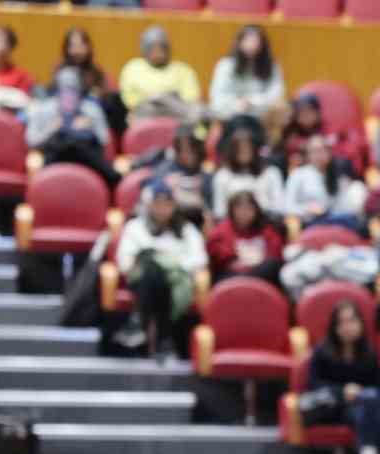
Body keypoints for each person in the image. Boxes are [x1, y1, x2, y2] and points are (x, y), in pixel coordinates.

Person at [117, 180, 208, 359]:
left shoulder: (186, 229)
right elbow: (125, 261)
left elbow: (200, 258)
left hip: (176, 279)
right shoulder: (135, 227)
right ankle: (163, 339)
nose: (162, 209)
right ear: (149, 205)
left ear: (174, 206)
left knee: (156, 272)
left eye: (167, 204)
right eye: (158, 204)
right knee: (151, 266)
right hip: (140, 278)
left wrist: (170, 264)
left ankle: (138, 323)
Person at [307, 300, 380, 454]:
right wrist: (342, 391)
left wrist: (361, 394)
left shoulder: (369, 352)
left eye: (352, 321)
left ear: (360, 324)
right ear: (335, 327)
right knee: (374, 411)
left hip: (362, 408)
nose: (348, 327)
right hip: (333, 407)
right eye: (342, 322)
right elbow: (313, 385)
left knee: (371, 401)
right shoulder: (322, 351)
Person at [25, 66, 114, 187]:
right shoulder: (43, 109)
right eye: (65, 85)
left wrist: (89, 129)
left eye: (73, 86)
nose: (69, 91)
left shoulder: (92, 109)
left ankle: (113, 179)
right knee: (64, 143)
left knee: (77, 145)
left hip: (86, 157)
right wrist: (51, 129)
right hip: (54, 154)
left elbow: (105, 140)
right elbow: (32, 141)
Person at [208, 25, 286, 138]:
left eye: (255, 41)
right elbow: (217, 98)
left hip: (262, 117)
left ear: (263, 45)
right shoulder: (225, 66)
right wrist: (237, 104)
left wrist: (252, 101)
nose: (252, 45)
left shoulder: (272, 67)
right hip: (231, 116)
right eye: (248, 40)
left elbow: (276, 95)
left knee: (281, 109)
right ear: (239, 43)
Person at [119, 26, 201, 124]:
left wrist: (167, 101)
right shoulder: (133, 68)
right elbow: (130, 100)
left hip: (177, 118)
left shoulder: (183, 70)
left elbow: (190, 100)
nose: (158, 53)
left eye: (162, 47)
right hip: (144, 117)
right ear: (144, 49)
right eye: (152, 48)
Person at [283, 135, 367, 229]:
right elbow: (287, 206)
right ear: (307, 155)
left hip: (336, 220)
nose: (319, 154)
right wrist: (307, 209)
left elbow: (343, 207)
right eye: (315, 151)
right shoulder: (298, 175)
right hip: (311, 222)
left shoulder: (336, 174)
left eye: (323, 150)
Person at [206, 190, 284, 288]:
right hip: (232, 276)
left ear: (256, 210)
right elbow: (218, 255)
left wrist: (258, 262)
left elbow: (275, 253)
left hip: (263, 274)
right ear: (232, 210)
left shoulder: (265, 229)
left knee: (272, 267)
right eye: (240, 209)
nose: (244, 213)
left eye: (248, 209)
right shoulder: (221, 231)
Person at [210, 127, 284, 220]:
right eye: (239, 149)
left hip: (265, 222)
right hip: (233, 224)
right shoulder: (222, 176)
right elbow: (219, 211)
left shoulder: (271, 173)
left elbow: (279, 206)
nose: (244, 152)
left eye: (248, 148)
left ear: (255, 149)